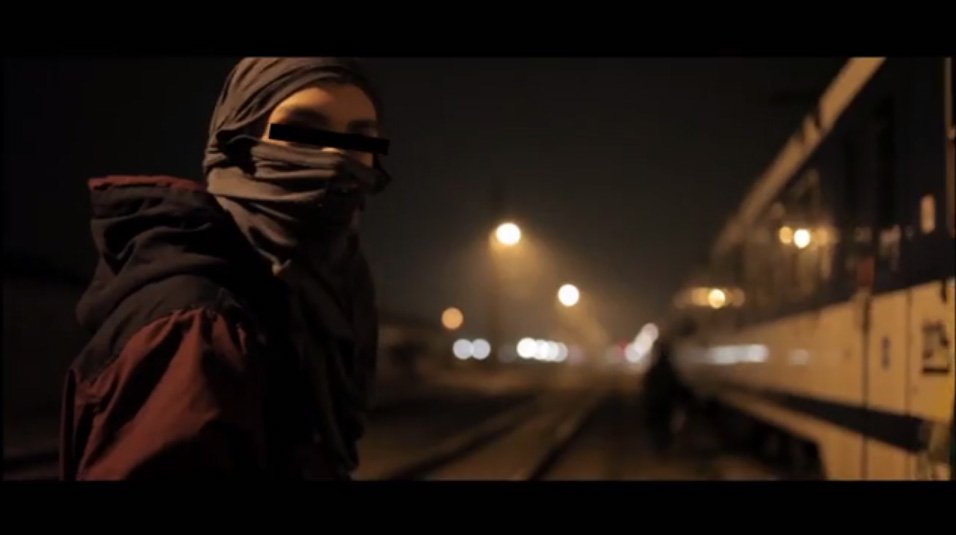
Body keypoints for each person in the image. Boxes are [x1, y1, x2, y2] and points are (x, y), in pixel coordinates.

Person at [60, 58, 391, 480]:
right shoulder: (197, 324)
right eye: (302, 130)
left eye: (360, 139)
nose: (335, 155)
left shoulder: (323, 295)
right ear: (237, 143)